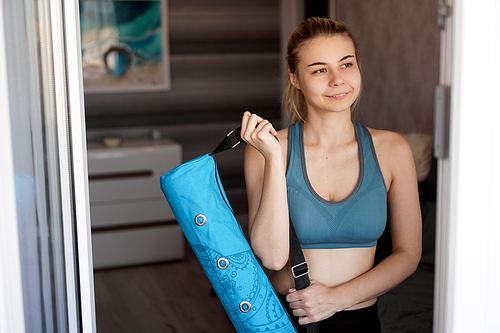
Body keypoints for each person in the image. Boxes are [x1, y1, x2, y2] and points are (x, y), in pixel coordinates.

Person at [240, 17, 422, 332]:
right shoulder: (267, 149)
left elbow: (408, 254)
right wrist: (272, 157)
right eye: (320, 69)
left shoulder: (394, 150)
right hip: (287, 320)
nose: (338, 80)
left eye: (346, 64)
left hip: (361, 321)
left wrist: (336, 298)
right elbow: (271, 257)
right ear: (295, 78)